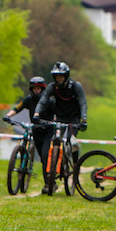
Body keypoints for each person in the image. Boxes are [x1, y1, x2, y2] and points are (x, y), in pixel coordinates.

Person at [33, 61, 88, 194]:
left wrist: (84, 119)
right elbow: (43, 100)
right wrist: (36, 113)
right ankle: (54, 170)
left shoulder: (76, 86)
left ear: (66, 76)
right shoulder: (52, 87)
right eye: (57, 77)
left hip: (74, 119)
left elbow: (83, 102)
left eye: (61, 76)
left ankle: (75, 165)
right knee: (55, 141)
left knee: (71, 141)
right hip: (60, 118)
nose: (59, 79)